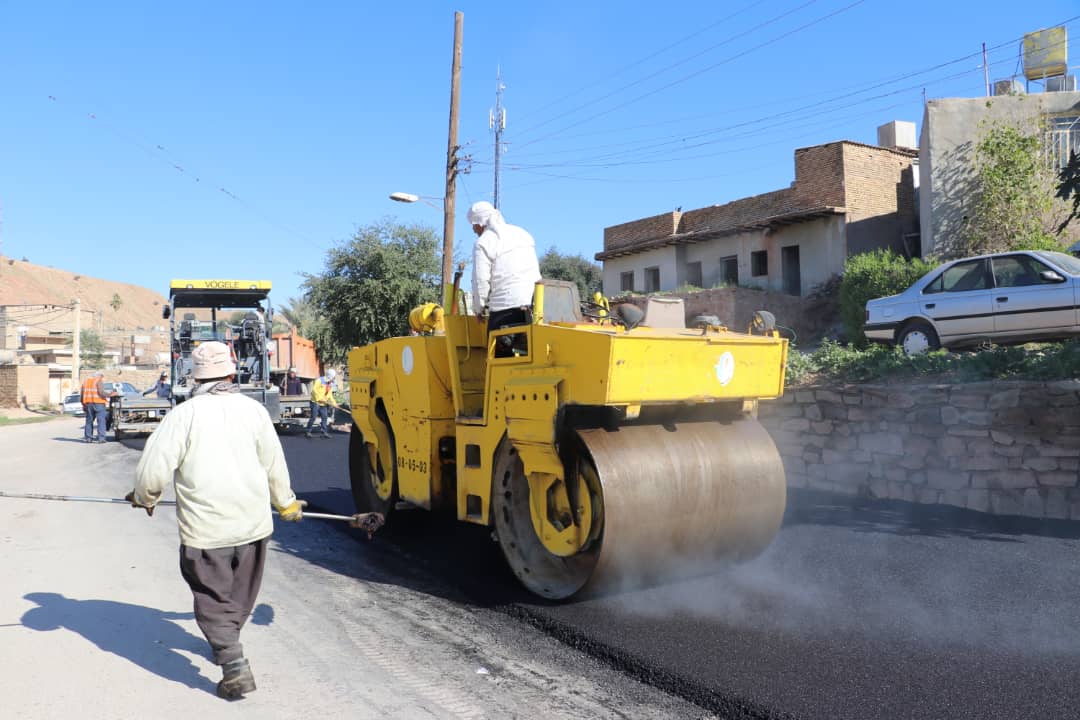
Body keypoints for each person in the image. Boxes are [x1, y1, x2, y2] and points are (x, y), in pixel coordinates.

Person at [125, 341, 307, 701]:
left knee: (212, 596)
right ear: (231, 370)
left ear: (194, 375)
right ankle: (227, 637)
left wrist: (145, 497)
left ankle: (232, 661)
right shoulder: (254, 412)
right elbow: (274, 463)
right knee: (239, 594)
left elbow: (153, 468)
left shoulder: (184, 415)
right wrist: (285, 503)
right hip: (254, 528)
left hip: (207, 531)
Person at [468, 201, 541, 339]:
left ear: (480, 223)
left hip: (504, 312)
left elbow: (480, 281)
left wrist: (479, 309)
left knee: (496, 355)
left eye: (474, 225)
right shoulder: (523, 234)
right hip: (535, 309)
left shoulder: (483, 242)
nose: (473, 230)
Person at [80, 371, 116, 443]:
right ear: (99, 376)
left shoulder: (85, 382)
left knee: (89, 421)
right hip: (99, 403)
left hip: (88, 404)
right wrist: (111, 394)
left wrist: (83, 404)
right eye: (102, 377)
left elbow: (82, 395)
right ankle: (101, 438)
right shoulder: (98, 381)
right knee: (101, 421)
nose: (102, 379)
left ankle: (88, 438)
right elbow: (101, 392)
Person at [305, 369, 339, 438]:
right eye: (333, 377)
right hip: (315, 402)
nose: (334, 379)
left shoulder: (330, 384)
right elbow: (314, 390)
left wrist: (335, 404)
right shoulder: (319, 380)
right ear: (330, 376)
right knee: (313, 417)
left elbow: (330, 395)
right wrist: (319, 398)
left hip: (323, 404)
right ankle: (308, 431)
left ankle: (324, 432)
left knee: (324, 417)